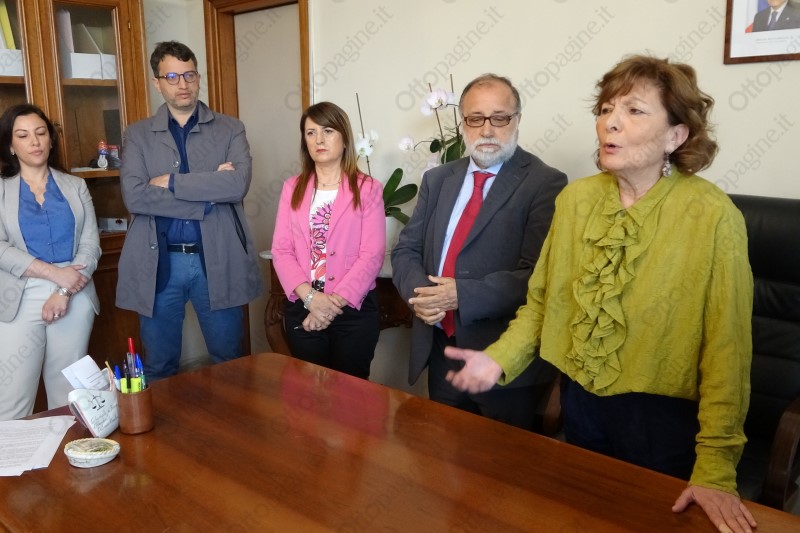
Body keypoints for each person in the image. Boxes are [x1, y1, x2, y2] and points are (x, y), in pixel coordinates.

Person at [444, 56, 756, 533]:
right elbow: (543, 303)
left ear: (675, 135)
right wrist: (497, 359)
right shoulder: (575, 200)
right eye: (606, 108)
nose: (610, 121)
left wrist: (716, 468)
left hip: (662, 421)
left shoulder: (713, 216)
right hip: (580, 403)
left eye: (634, 110)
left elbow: (728, 351)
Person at [391, 74, 568, 431]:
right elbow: (406, 249)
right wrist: (422, 296)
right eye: (475, 118)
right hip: (441, 346)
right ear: (463, 123)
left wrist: (462, 295)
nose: (487, 129)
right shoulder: (438, 179)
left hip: (502, 360)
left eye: (499, 118)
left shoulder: (545, 182)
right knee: (441, 451)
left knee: (503, 461)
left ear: (517, 120)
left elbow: (537, 275)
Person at [116, 41, 262, 380]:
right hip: (160, 262)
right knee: (159, 366)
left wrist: (170, 182)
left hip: (217, 259)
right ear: (157, 83)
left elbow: (237, 184)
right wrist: (208, 195)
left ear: (198, 77)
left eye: (189, 75)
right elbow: (135, 197)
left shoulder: (230, 129)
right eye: (172, 76)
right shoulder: (137, 134)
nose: (182, 84)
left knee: (231, 362)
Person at [0, 104, 100, 420]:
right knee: (12, 397)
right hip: (19, 295)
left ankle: (65, 450)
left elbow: (90, 245)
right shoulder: (1, 190)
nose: (35, 142)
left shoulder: (76, 186)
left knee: (67, 393)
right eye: (23, 135)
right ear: (10, 145)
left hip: (74, 292)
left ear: (51, 139)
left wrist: (65, 290)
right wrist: (55, 275)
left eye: (41, 133)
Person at [272, 102, 385, 379]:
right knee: (307, 392)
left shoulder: (368, 188)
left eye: (328, 131)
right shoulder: (292, 188)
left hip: (353, 311)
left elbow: (372, 254)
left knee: (351, 393)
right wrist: (311, 299)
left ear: (344, 139)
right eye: (310, 133)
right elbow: (281, 250)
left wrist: (327, 307)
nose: (319, 140)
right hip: (303, 305)